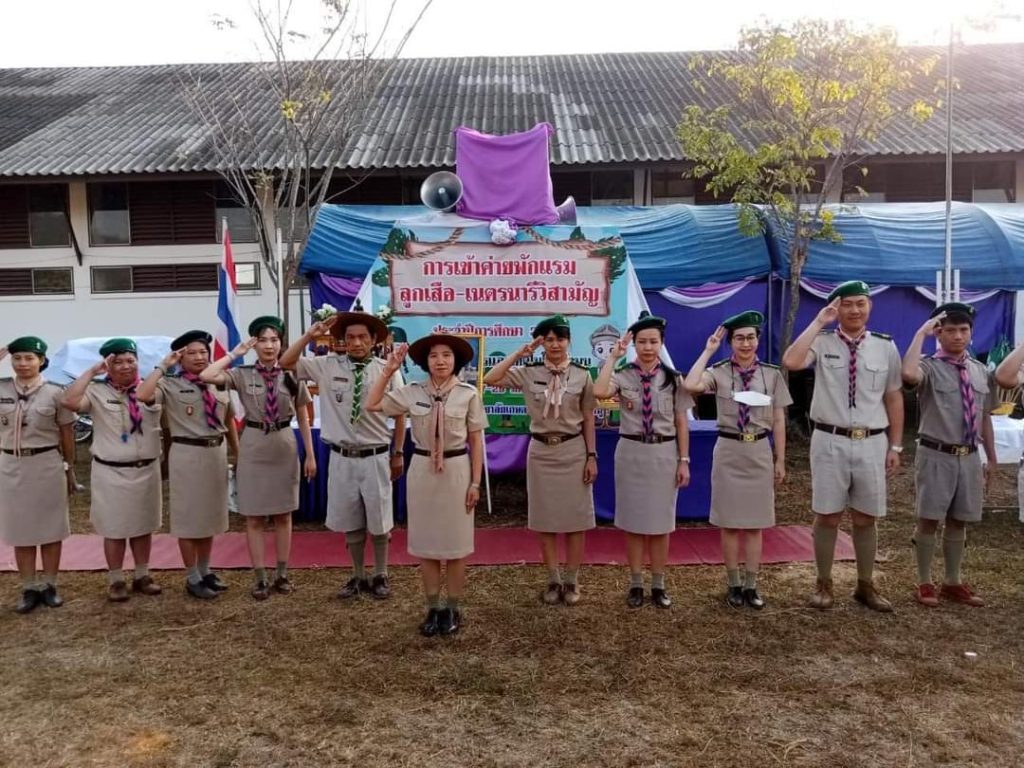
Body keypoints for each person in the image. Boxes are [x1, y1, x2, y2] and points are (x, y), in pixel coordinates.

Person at [781, 281, 903, 612]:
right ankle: (824, 582)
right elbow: (791, 361)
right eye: (846, 304)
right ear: (836, 308)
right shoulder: (822, 341)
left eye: (860, 303)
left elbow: (893, 396)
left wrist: (896, 446)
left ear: (870, 306)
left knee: (866, 516)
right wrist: (819, 320)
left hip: (871, 441)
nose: (854, 310)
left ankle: (865, 584)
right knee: (827, 514)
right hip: (829, 440)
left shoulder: (885, 346)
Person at [280, 307, 405, 600]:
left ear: (374, 340)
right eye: (350, 337)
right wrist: (309, 335)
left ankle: (381, 574)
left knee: (379, 520)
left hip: (375, 456)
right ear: (343, 340)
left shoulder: (386, 370)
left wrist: (398, 452)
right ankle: (358, 575)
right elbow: (286, 362)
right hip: (342, 457)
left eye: (363, 337)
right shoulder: (326, 366)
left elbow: (400, 414)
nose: (357, 343)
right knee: (350, 520)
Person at [367, 334, 485, 636]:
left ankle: (452, 608)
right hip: (422, 470)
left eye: (447, 355)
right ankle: (433, 607)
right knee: (427, 545)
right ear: (425, 362)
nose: (440, 361)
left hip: (457, 471)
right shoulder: (412, 392)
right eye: (433, 356)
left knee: (457, 546)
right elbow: (372, 404)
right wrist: (388, 371)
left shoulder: (469, 394)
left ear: (456, 360)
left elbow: (476, 441)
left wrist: (475, 483)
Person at [483, 314, 598, 605]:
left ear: (569, 341)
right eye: (549, 340)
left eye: (560, 339)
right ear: (541, 343)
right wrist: (520, 354)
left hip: (573, 450)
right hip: (541, 452)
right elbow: (490, 378)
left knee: (576, 520)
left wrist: (591, 456)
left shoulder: (582, 375)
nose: (555, 344)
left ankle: (572, 579)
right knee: (544, 519)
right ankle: (553, 579)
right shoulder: (528, 372)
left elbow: (588, 418)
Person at [201, 316, 316, 600]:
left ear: (281, 343)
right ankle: (260, 578)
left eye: (274, 340)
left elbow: (303, 415)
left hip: (284, 444)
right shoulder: (242, 374)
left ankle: (282, 574)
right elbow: (207, 375)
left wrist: (310, 455)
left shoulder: (292, 374)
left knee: (283, 514)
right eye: (262, 340)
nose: (269, 346)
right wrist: (235, 353)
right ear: (254, 344)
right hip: (254, 445)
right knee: (254, 517)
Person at [685, 311, 791, 610]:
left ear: (758, 340)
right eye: (739, 338)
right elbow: (691, 385)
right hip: (729, 450)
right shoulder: (719, 372)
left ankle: (751, 585)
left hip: (758, 450)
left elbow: (779, 420)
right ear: (730, 342)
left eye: (751, 337)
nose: (746, 344)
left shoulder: (771, 374)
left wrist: (780, 459)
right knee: (730, 523)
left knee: (756, 524)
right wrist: (708, 350)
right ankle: (733, 583)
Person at [594, 312, 691, 609]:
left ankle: (658, 584)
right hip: (632, 453)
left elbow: (681, 421)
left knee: (662, 523)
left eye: (653, 341)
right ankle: (636, 582)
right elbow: (599, 391)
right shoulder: (623, 374)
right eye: (642, 342)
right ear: (634, 344)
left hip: (663, 453)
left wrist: (684, 460)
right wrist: (613, 357)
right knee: (633, 522)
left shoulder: (673, 379)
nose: (648, 347)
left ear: (661, 344)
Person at [903, 303, 996, 607]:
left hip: (968, 455)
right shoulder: (929, 367)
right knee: (929, 518)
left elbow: (984, 418)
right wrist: (920, 333)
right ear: (939, 334)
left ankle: (952, 582)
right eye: (951, 330)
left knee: (959, 520)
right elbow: (908, 374)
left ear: (971, 333)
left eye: (963, 329)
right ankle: (924, 581)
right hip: (936, 453)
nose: (958, 336)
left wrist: (991, 458)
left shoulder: (979, 370)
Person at [136, 330, 238, 600]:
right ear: (180, 357)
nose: (199, 357)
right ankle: (192, 576)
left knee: (210, 517)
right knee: (189, 518)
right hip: (187, 454)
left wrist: (237, 454)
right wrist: (163, 366)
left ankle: (205, 570)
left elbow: (229, 420)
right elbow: (142, 394)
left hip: (216, 453)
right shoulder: (169, 384)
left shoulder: (218, 382)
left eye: (203, 352)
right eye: (191, 353)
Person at [62, 338, 164, 602]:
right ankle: (116, 579)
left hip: (146, 469)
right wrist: (91, 372)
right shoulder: (96, 391)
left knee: (143, 526)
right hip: (111, 472)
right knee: (114, 528)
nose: (126, 366)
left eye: (131, 360)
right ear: (108, 365)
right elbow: (69, 401)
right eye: (118, 362)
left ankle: (142, 575)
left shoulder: (150, 388)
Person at [0, 338, 77, 613]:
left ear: (42, 361)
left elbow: (67, 432)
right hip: (12, 464)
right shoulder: (2, 388)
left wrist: (69, 467)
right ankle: (29, 587)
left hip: (46, 463)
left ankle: (50, 585)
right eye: (17, 358)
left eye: (29, 358)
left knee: (50, 528)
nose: (23, 364)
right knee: (21, 529)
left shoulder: (55, 392)